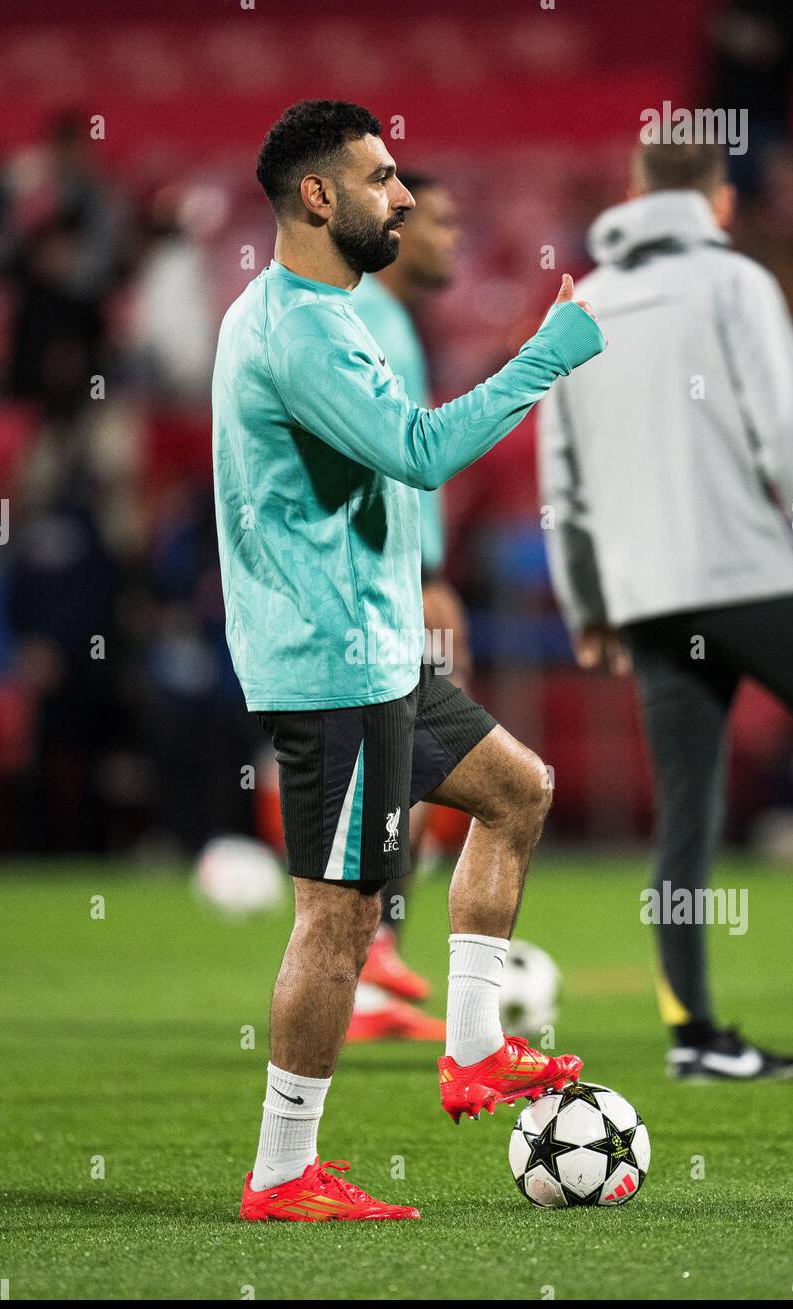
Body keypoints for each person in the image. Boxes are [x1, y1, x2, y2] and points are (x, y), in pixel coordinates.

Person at [212, 100, 605, 1222]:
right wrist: (543, 358)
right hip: (333, 667)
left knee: (514, 791)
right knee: (338, 919)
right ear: (319, 197)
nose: (401, 196)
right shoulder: (301, 328)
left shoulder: (319, 311)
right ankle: (283, 1170)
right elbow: (420, 453)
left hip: (376, 652)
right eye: (382, 179)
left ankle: (473, 1050)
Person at [539, 134, 793, 1082]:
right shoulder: (735, 282)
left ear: (630, 193)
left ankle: (697, 1037)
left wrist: (589, 600)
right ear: (720, 203)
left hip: (647, 597)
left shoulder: (581, 302)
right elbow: (790, 437)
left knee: (686, 817)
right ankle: (700, 1036)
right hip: (748, 574)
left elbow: (563, 481)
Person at [348, 170, 465, 1042]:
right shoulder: (374, 320)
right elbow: (397, 457)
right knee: (412, 762)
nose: (450, 238)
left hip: (388, 580)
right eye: (438, 222)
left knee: (405, 761)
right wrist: (424, 571)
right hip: (387, 585)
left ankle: (371, 973)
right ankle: (370, 941)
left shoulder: (382, 320)